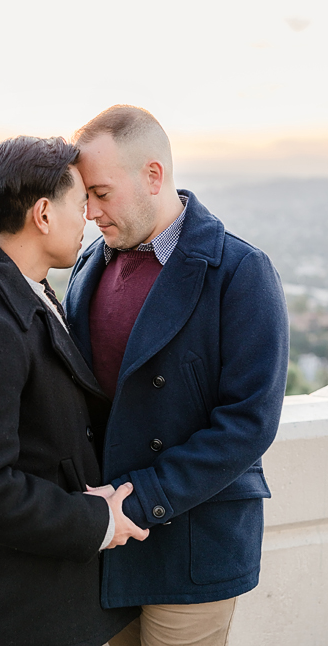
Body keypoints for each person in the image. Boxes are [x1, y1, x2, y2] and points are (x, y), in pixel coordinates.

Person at [64, 105, 289, 646]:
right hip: (101, 541)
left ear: (153, 175)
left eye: (101, 192)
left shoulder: (240, 271)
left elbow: (248, 422)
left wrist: (139, 500)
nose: (90, 212)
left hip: (190, 539)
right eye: (84, 197)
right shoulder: (88, 265)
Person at [0, 136, 147, 646]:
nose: (90, 215)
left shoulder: (28, 289)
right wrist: (96, 519)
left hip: (58, 599)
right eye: (79, 203)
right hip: (25, 612)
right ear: (44, 214)